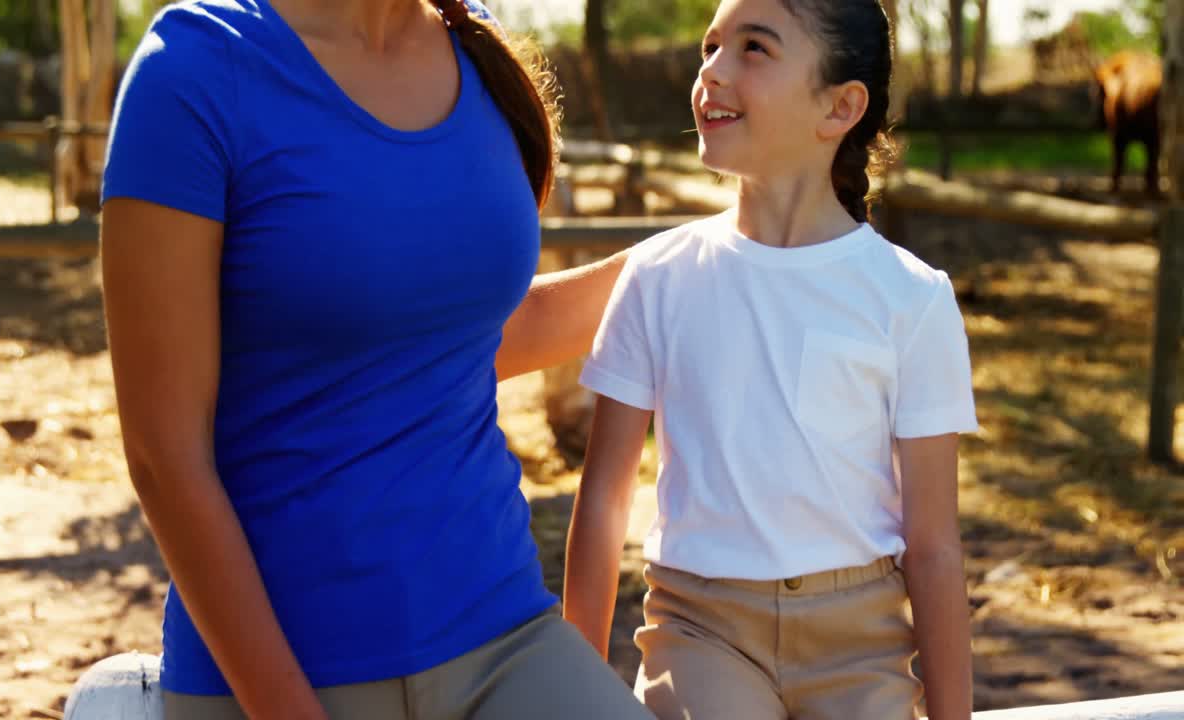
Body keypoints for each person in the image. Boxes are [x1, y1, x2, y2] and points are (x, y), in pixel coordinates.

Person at [99, 0, 655, 718]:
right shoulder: (197, 67)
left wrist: (696, 262)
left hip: (504, 635)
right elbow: (163, 455)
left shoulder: (475, 48)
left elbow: (458, 340)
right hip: (279, 671)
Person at [562, 1, 978, 719]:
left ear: (840, 107)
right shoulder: (659, 278)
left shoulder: (912, 299)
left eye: (753, 49)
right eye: (711, 45)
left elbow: (934, 545)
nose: (711, 72)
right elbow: (601, 506)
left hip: (863, 646)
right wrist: (575, 696)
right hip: (699, 631)